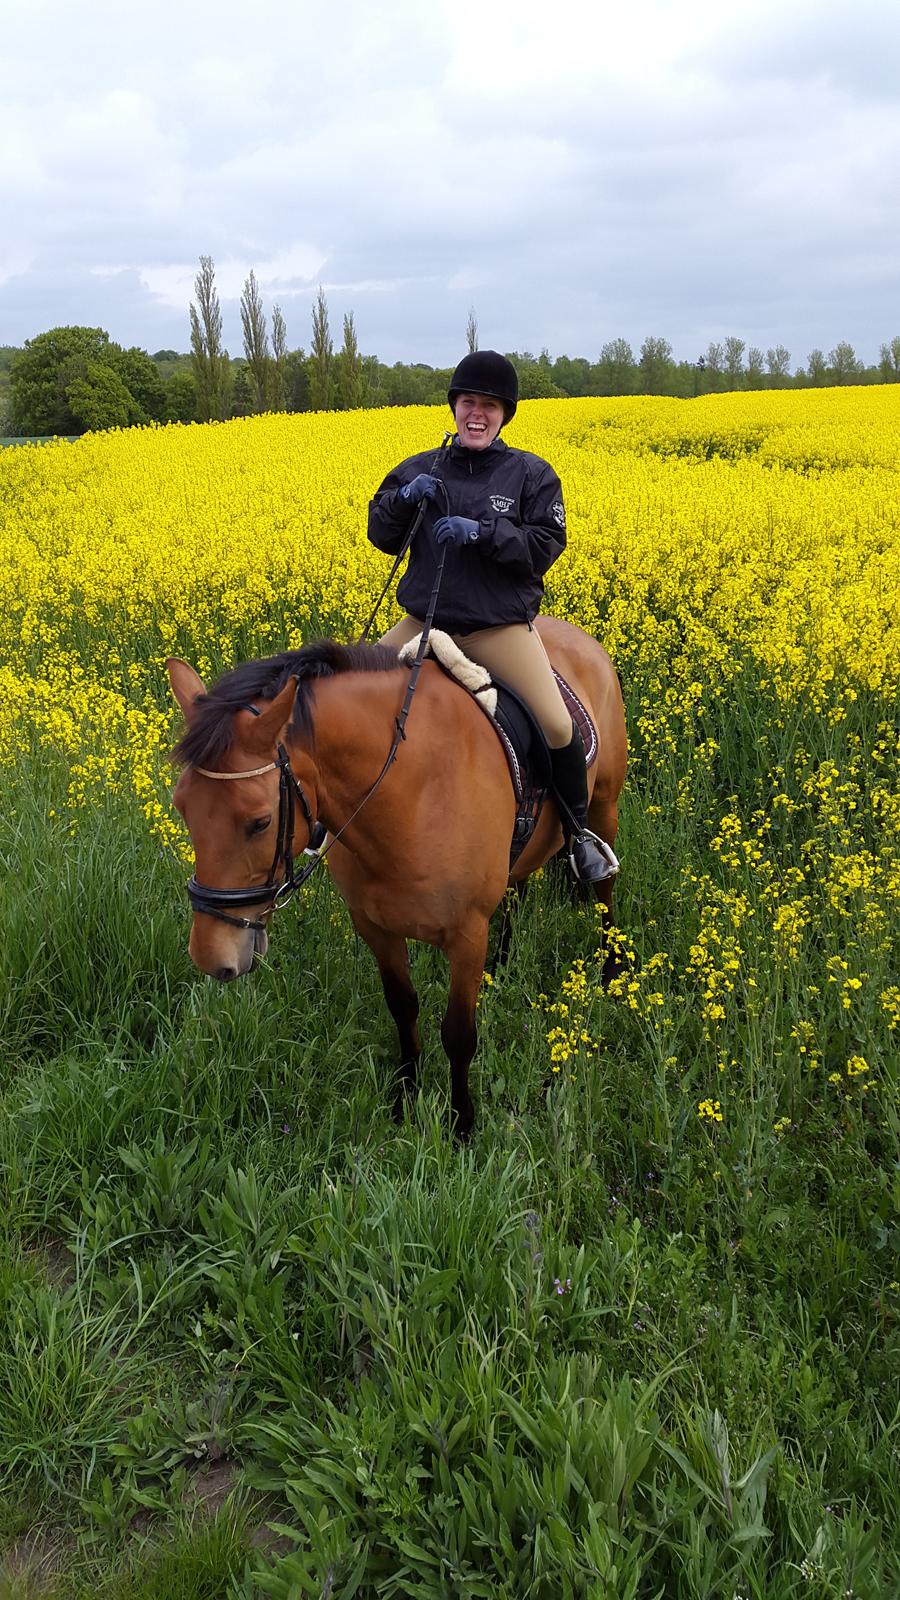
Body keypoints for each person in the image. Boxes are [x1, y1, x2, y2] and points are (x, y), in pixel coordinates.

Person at [368, 349, 612, 882]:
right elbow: (381, 536)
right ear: (454, 407)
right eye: (468, 403)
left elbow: (547, 544)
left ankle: (578, 840)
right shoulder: (416, 468)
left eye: (491, 406)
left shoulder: (530, 474)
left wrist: (482, 533)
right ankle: (332, 831)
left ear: (505, 414)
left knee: (556, 724)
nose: (477, 414)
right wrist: (405, 499)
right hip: (425, 623)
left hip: (497, 629)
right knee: (346, 696)